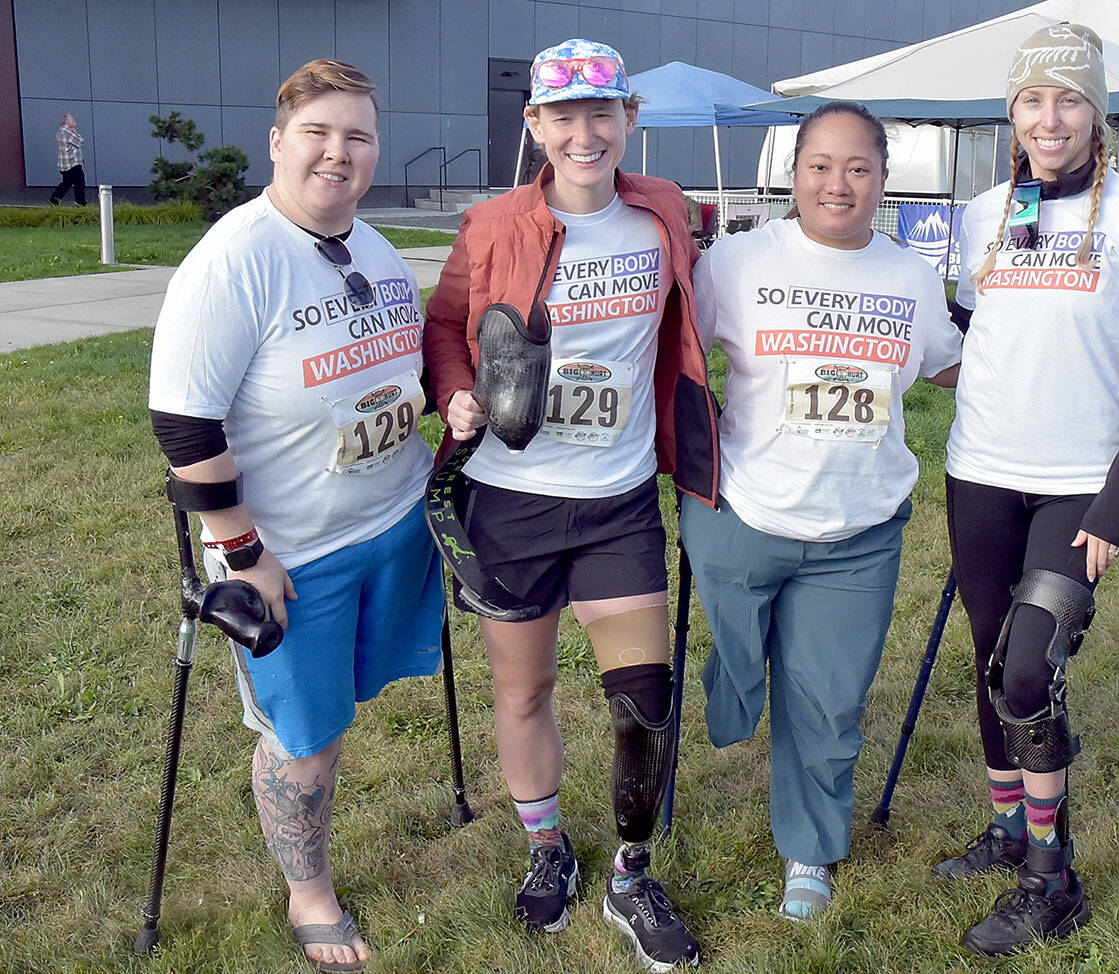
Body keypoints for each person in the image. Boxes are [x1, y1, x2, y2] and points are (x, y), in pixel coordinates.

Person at [424, 38, 719, 973]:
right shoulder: (489, 226)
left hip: (618, 501)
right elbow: (443, 329)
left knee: (644, 702)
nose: (584, 133)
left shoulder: (662, 212)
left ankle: (631, 874)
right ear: (535, 125)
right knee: (526, 688)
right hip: (509, 501)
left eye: (602, 112)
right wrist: (455, 391)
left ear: (628, 116)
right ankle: (548, 847)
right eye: (564, 115)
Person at [148, 59, 444, 974]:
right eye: (318, 132)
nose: (337, 152)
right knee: (303, 744)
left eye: (357, 135)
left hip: (391, 524)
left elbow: (401, 373)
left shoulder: (378, 249)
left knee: (346, 711)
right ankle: (307, 892)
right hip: (292, 556)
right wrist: (242, 553)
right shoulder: (234, 260)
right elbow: (183, 420)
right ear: (277, 142)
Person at [679, 100, 962, 921]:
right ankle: (739, 683)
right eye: (821, 166)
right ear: (793, 173)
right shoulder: (733, 264)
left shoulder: (910, 276)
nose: (838, 184)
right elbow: (676, 358)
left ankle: (808, 852)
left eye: (859, 168)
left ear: (881, 180)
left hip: (858, 532)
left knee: (829, 701)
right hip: (742, 518)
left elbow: (947, 366)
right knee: (738, 678)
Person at [938, 24, 1119, 956]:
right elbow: (969, 333)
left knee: (1029, 668)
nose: (1051, 118)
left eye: (1070, 99)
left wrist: (1116, 507)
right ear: (1013, 112)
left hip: (1079, 486)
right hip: (981, 473)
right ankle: (1007, 829)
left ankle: (1053, 875)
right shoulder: (983, 213)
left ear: (1096, 113)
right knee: (987, 659)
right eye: (1034, 100)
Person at [50, 113, 86, 206]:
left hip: (65, 165)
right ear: (67, 121)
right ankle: (81, 203)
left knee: (66, 183)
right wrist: (76, 132)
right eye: (72, 119)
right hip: (72, 163)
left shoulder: (60, 131)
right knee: (79, 183)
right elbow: (80, 142)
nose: (75, 122)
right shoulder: (67, 131)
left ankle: (54, 200)